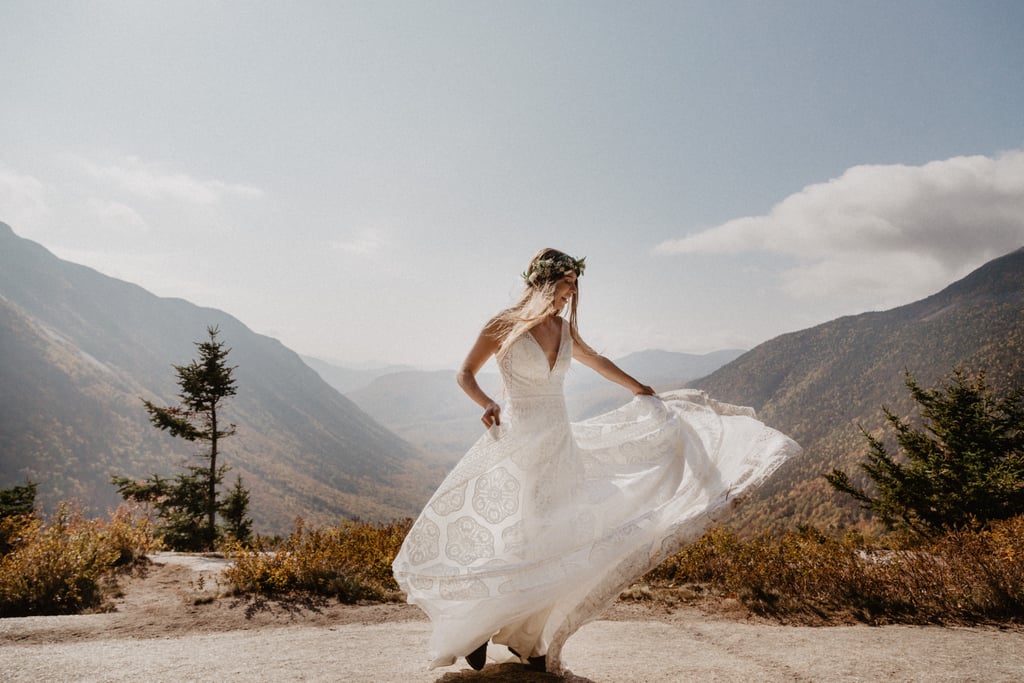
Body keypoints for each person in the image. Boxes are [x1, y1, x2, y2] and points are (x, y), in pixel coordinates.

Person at [392, 248, 800, 674]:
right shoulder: (503, 325)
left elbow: (597, 361)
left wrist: (638, 387)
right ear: (544, 281)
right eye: (567, 282)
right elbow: (464, 373)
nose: (572, 292)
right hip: (518, 442)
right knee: (522, 533)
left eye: (574, 284)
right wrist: (487, 402)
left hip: (560, 444)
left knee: (557, 537)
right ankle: (476, 626)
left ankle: (525, 638)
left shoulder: (564, 329)